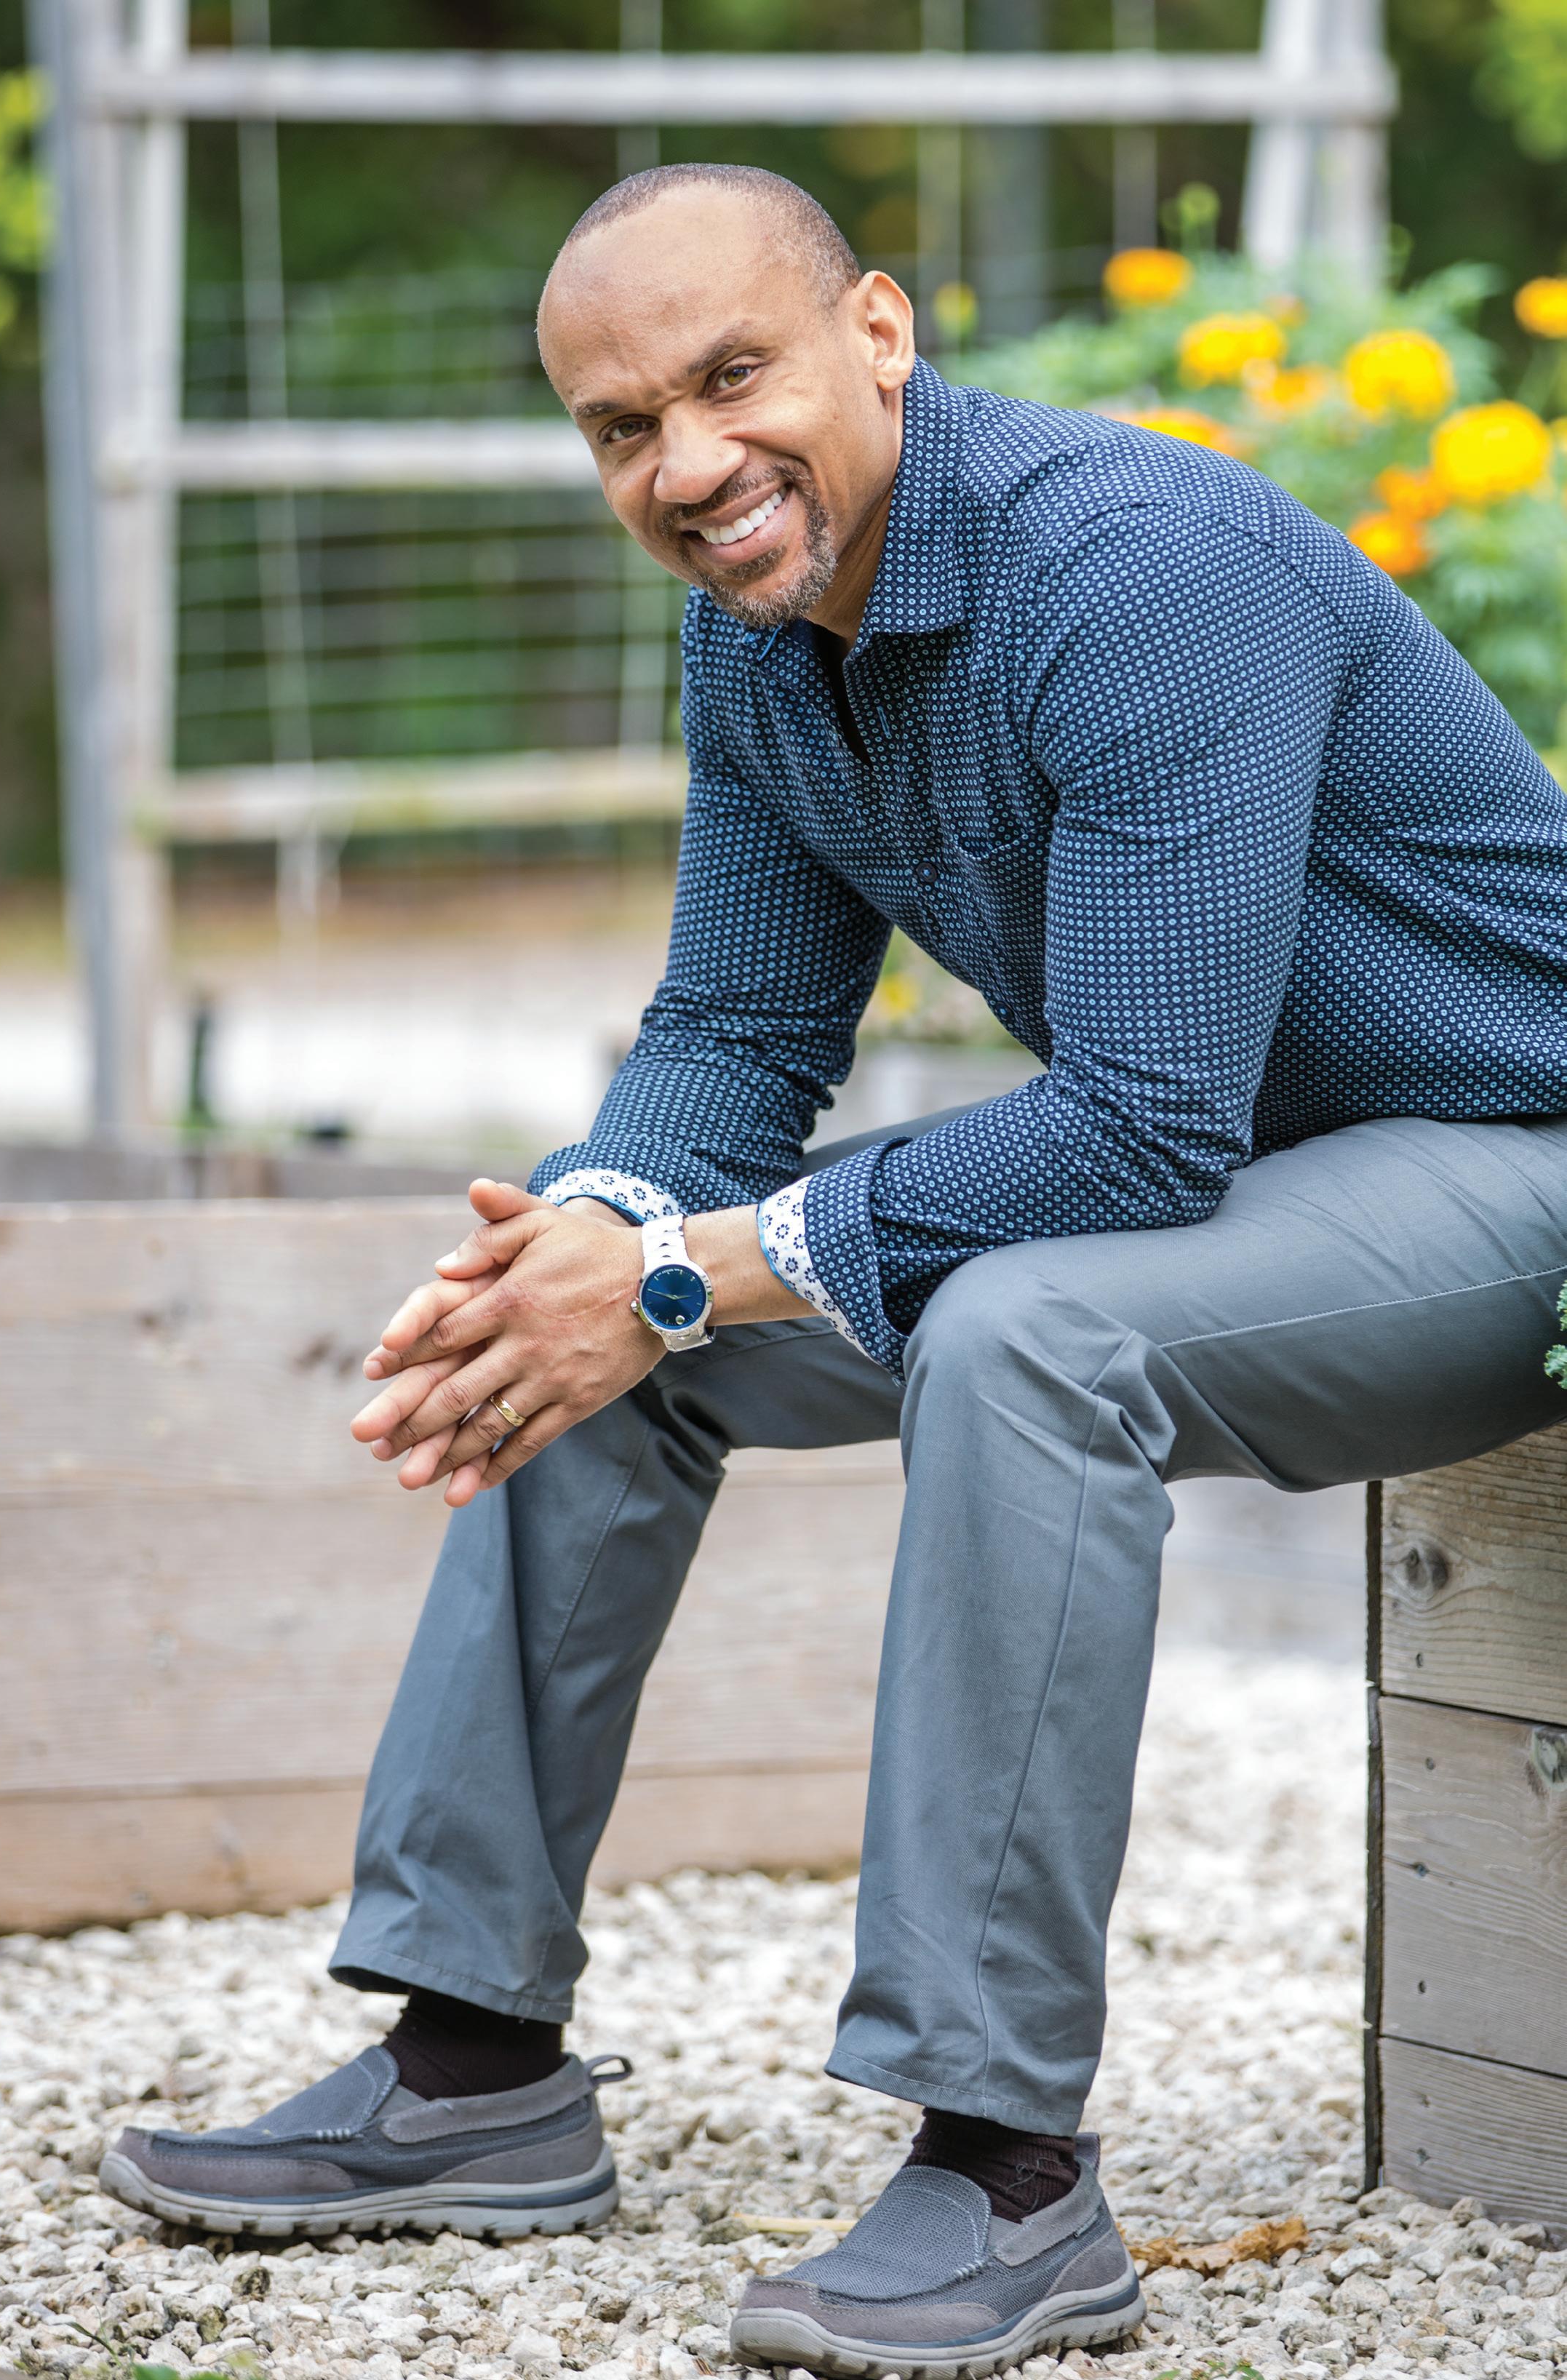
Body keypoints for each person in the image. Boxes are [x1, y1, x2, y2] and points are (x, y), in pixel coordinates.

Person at [100, 164, 1567, 2373]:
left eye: (730, 379)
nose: (689, 466)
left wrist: (689, 1272)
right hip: (1249, 1165)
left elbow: (1143, 1125)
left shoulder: (1139, 568)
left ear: (877, 333)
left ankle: (1005, 2171)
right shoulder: (758, 627)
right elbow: (734, 1030)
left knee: (1025, 1331)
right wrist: (594, 1240)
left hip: (1511, 1154)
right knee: (580, 1318)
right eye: (622, 429)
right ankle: (472, 2060)